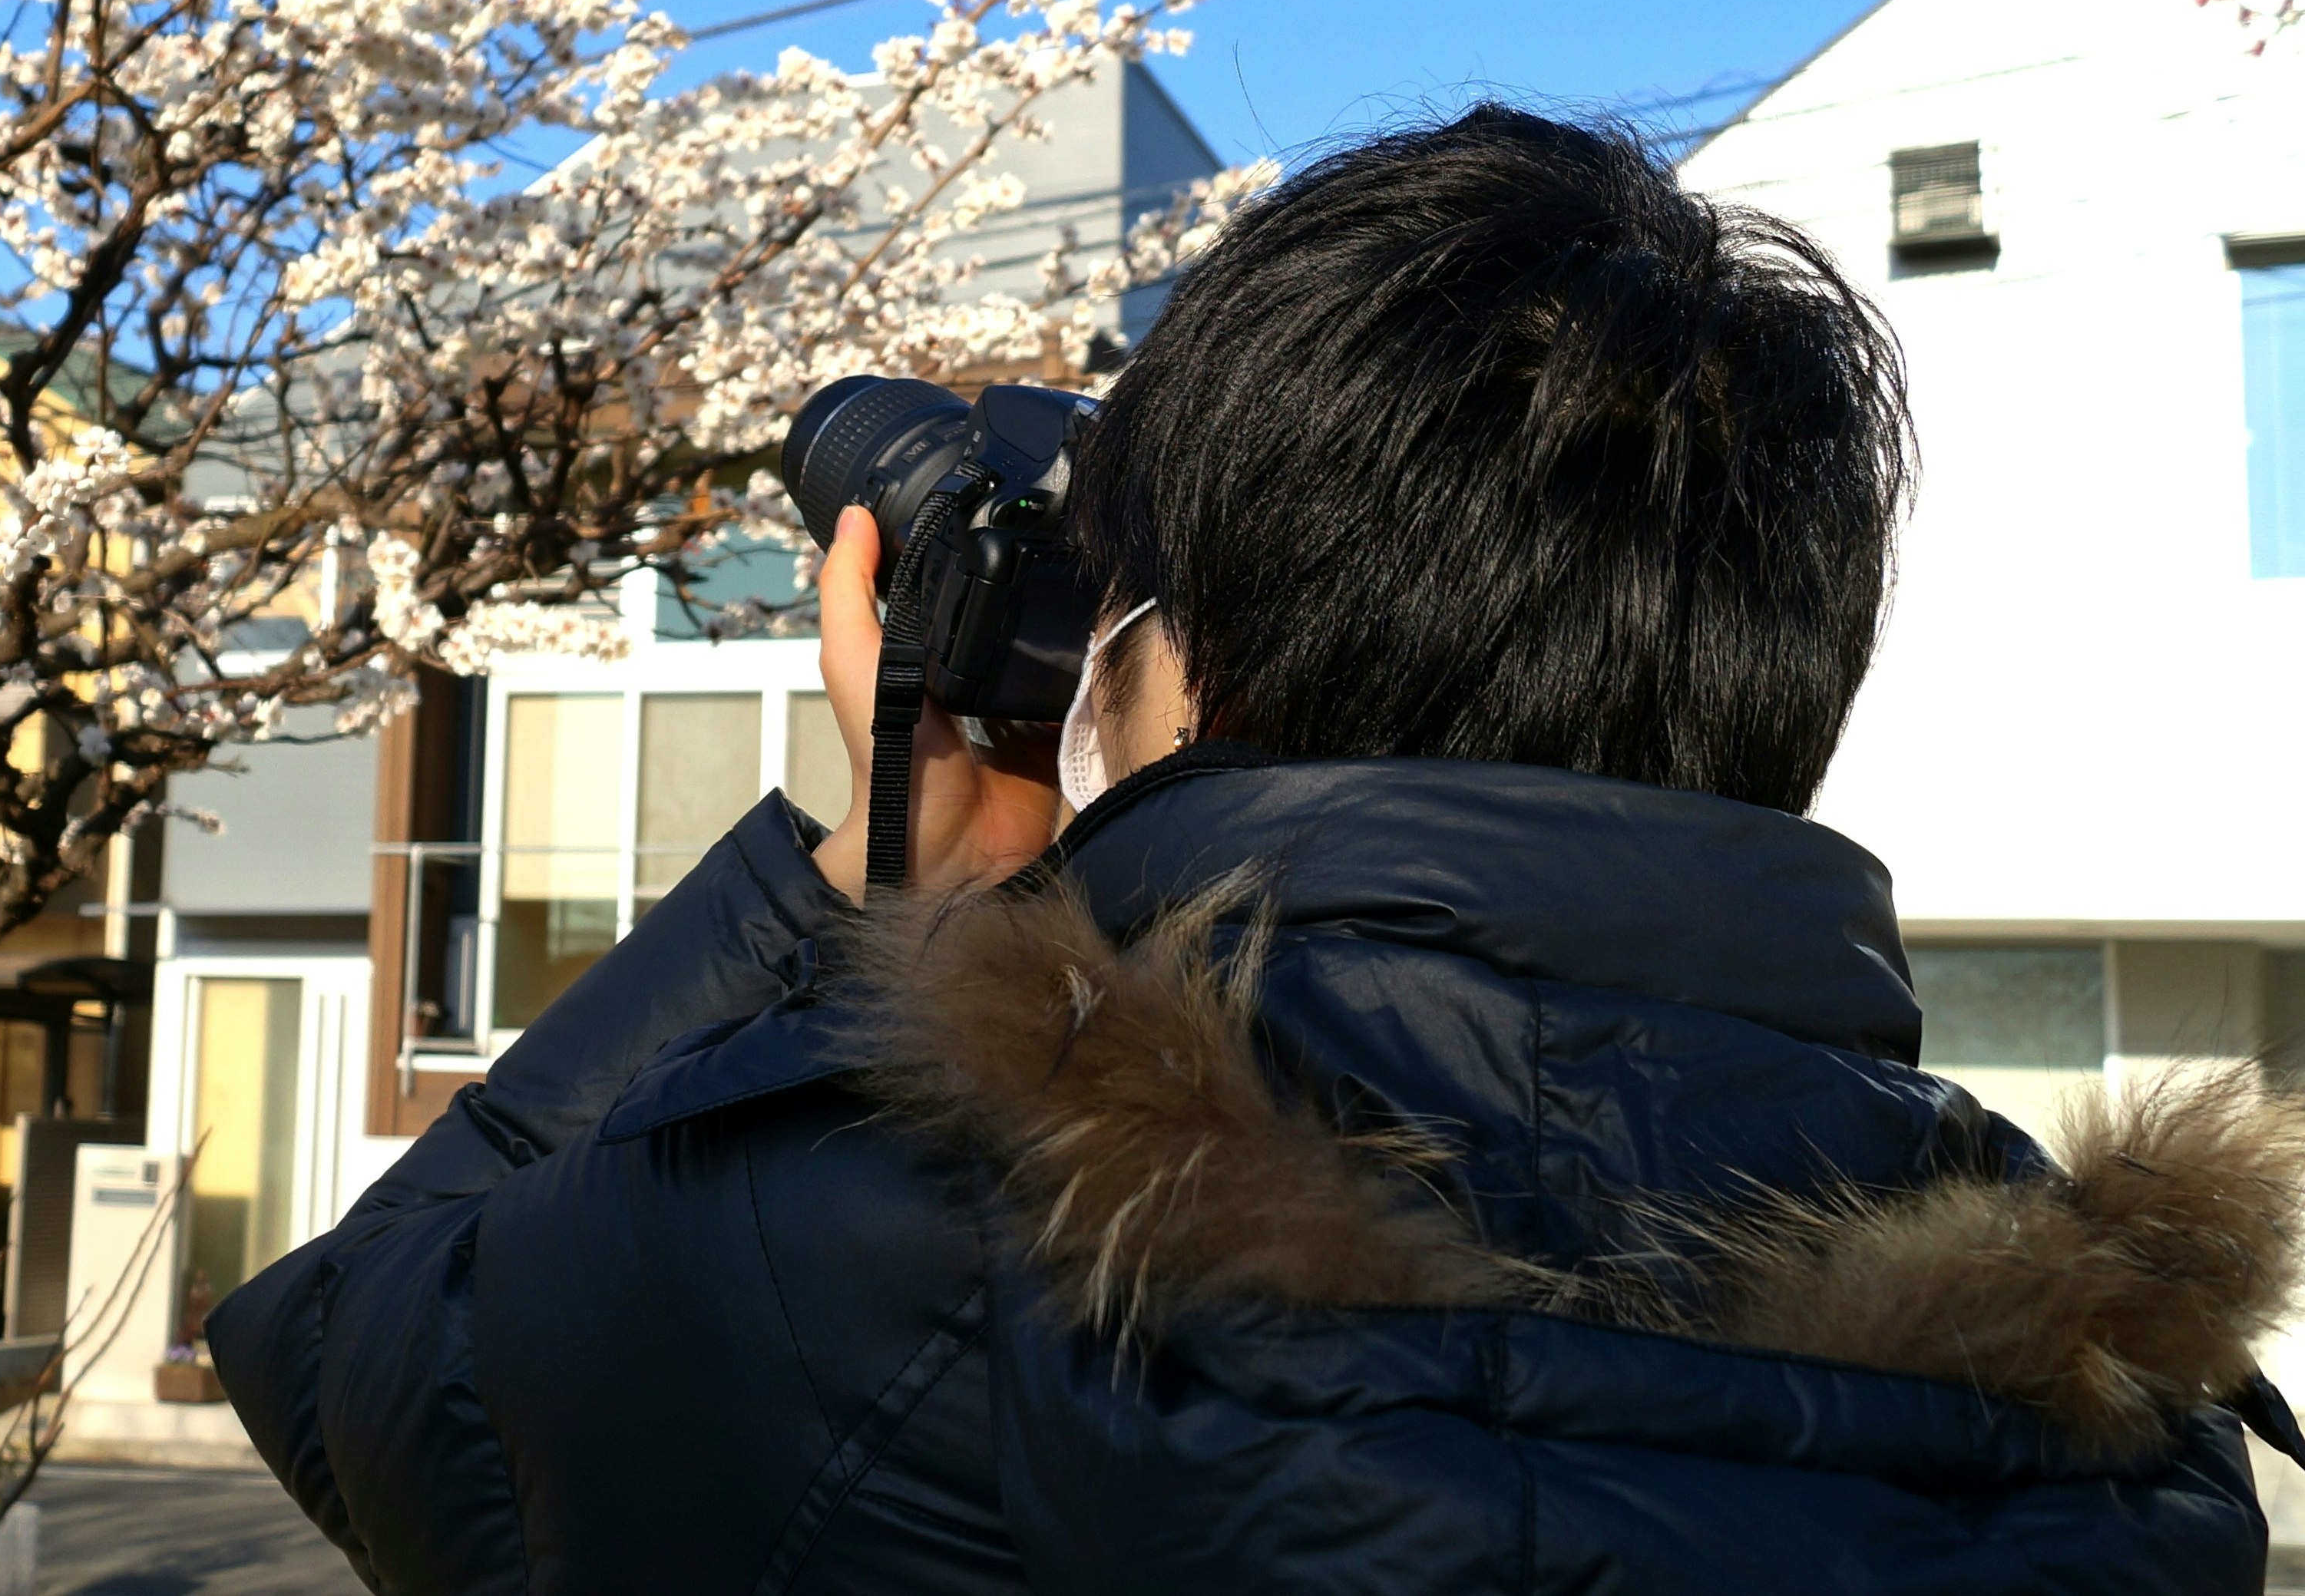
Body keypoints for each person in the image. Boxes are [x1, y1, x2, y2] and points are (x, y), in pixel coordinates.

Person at [210, 105, 2302, 1593]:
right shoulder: (2108, 1387)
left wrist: (880, 870)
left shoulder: (884, 1252)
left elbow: (353, 1347)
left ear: (1167, 663)